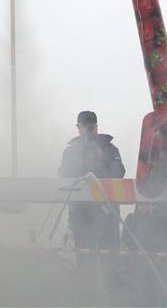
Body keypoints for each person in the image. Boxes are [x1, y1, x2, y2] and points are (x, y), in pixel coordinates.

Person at [59, 111, 125, 305]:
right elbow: (63, 173)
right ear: (77, 127)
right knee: (84, 257)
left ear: (97, 126)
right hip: (81, 213)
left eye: (91, 126)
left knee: (110, 258)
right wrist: (77, 160)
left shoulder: (110, 149)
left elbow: (119, 173)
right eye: (83, 126)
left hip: (107, 213)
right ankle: (85, 300)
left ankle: (114, 299)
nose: (87, 130)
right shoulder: (70, 151)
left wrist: (102, 158)